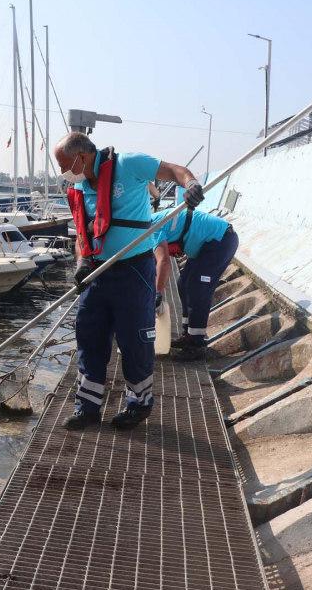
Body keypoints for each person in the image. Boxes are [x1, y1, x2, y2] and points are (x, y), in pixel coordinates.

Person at [55, 132, 204, 431]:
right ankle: (88, 407)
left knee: (135, 340)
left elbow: (175, 171)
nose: (63, 174)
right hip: (97, 272)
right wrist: (82, 261)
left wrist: (191, 185)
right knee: (89, 335)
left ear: (81, 158)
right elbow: (81, 235)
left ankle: (139, 404)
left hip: (133, 271)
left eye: (64, 165)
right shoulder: (81, 188)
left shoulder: (130, 164)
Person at [150, 205, 239, 361]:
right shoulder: (145, 227)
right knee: (183, 283)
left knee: (197, 289)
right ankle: (188, 335)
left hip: (220, 240)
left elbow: (164, 262)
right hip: (206, 242)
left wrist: (158, 293)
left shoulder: (151, 230)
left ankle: (196, 345)